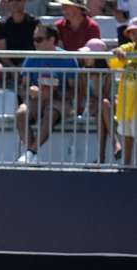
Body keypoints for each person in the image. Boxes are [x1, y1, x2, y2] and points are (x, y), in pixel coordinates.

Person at [15, 24, 79, 163]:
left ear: (52, 40)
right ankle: (32, 155)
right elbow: (22, 87)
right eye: (34, 39)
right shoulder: (31, 58)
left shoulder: (68, 59)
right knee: (21, 113)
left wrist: (55, 92)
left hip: (59, 102)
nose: (35, 43)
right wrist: (30, 90)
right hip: (36, 101)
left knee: (51, 111)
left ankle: (31, 152)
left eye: (39, 39)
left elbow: (74, 90)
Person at [77, 38, 120, 163]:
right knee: (102, 107)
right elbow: (85, 94)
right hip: (92, 106)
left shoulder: (108, 72)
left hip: (107, 105)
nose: (85, 58)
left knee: (104, 105)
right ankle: (115, 143)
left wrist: (96, 86)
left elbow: (105, 95)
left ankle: (101, 157)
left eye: (89, 55)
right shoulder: (83, 72)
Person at [111, 17, 137, 165]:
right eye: (132, 32)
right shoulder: (129, 48)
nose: (134, 35)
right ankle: (127, 165)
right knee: (127, 134)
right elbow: (115, 58)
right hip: (127, 102)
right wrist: (118, 50)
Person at [0, 0, 39, 66]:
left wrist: (24, 67)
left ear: (24, 1)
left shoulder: (34, 23)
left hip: (30, 64)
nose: (14, 3)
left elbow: (39, 47)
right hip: (8, 66)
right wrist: (13, 68)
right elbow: (2, 52)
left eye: (18, 0)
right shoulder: (3, 25)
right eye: (11, 0)